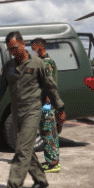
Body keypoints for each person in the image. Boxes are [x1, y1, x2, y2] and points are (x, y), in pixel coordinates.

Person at [0, 31, 66, 188]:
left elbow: (51, 87)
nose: (12, 52)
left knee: (22, 150)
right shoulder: (9, 66)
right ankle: (41, 180)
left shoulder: (38, 64)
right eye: (9, 49)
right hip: (16, 112)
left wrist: (60, 108)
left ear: (22, 43)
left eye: (14, 48)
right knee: (24, 148)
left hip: (33, 111)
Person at [31, 38, 61, 173]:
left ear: (39, 47)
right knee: (47, 132)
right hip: (44, 103)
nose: (32, 49)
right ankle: (51, 161)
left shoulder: (47, 63)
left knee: (48, 133)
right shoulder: (44, 61)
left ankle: (53, 163)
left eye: (33, 46)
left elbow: (49, 85)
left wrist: (47, 106)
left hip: (46, 104)